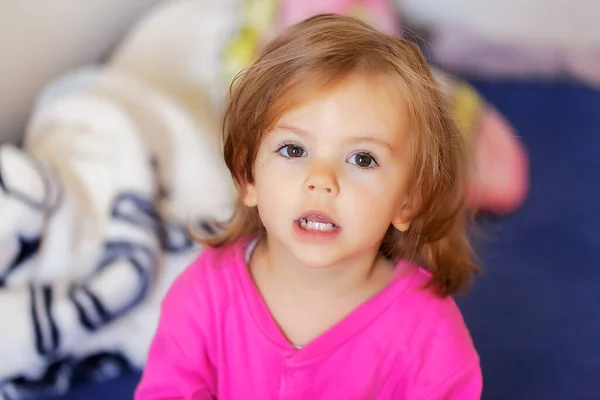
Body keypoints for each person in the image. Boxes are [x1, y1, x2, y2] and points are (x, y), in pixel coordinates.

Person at [135, 13, 482, 399]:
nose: (321, 180)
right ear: (249, 177)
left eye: (362, 159)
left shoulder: (429, 334)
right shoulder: (204, 295)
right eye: (294, 149)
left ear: (408, 200)